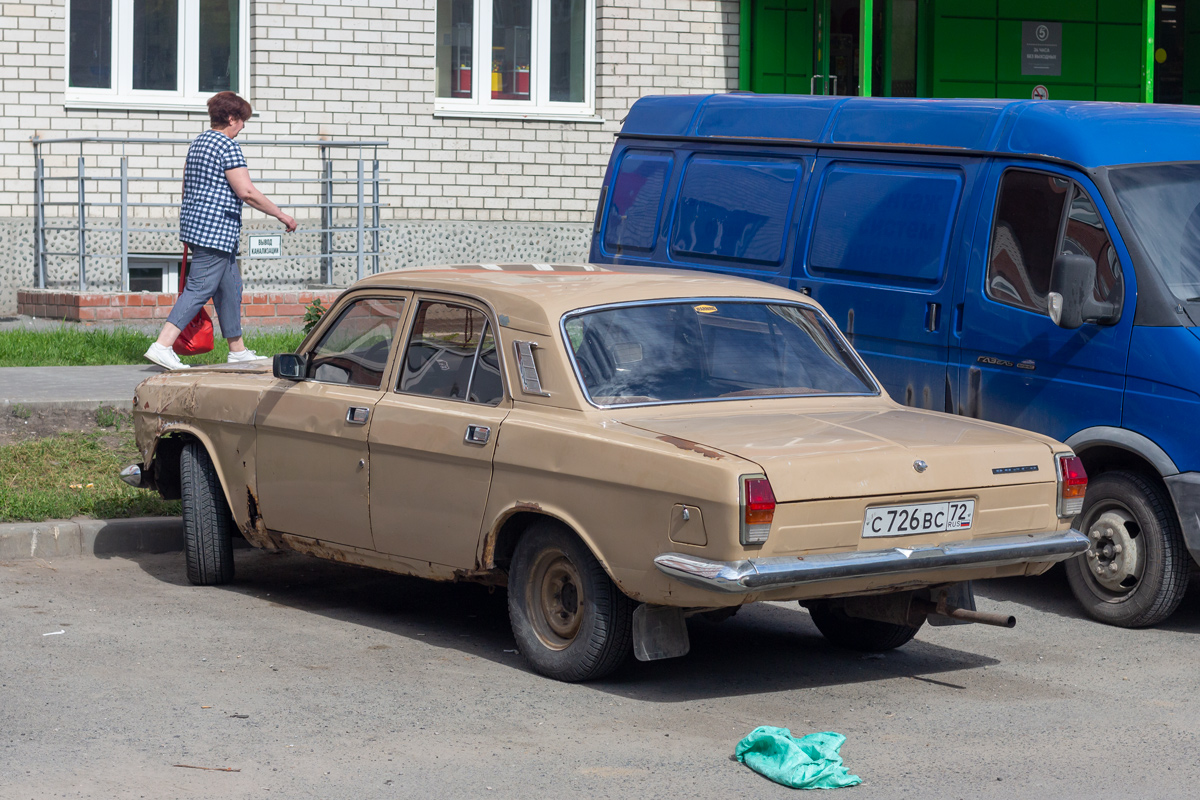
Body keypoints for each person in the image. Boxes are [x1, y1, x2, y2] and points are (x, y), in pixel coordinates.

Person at [144, 92, 297, 371]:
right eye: (242, 120)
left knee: (230, 288)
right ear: (230, 118)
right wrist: (281, 214)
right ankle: (162, 345)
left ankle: (237, 349)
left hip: (200, 226)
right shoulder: (227, 147)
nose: (243, 127)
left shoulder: (199, 143)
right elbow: (247, 192)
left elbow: (186, 186)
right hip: (216, 230)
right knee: (199, 288)